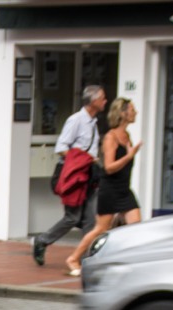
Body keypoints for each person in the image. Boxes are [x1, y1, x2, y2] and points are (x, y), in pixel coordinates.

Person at [32, 85, 107, 267]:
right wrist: (84, 159)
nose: (105, 101)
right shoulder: (76, 120)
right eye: (103, 98)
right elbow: (61, 148)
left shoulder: (93, 122)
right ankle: (42, 240)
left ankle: (87, 256)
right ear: (94, 101)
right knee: (72, 217)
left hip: (90, 175)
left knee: (90, 217)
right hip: (76, 176)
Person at [66, 97, 142, 275]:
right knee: (101, 228)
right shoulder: (111, 137)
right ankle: (73, 258)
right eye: (132, 109)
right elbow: (109, 167)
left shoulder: (127, 136)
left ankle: (129, 262)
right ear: (123, 114)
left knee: (137, 227)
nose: (135, 112)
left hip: (124, 189)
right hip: (110, 189)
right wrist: (129, 157)